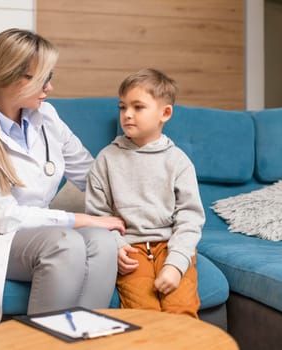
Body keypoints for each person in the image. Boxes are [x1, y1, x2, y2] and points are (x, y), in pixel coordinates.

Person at [0, 28, 125, 326]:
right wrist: (83, 220)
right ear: (11, 76)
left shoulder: (47, 116)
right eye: (41, 78)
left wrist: (119, 232)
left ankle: (84, 342)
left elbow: (92, 178)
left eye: (50, 76)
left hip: (40, 231)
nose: (49, 87)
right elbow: (2, 218)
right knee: (64, 243)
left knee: (101, 242)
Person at [85, 68, 205, 317]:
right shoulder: (107, 159)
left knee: (181, 310)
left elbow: (190, 219)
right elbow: (98, 214)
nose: (127, 114)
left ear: (165, 113)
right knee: (144, 314)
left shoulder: (178, 161)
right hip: (130, 249)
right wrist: (115, 246)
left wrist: (176, 263)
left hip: (171, 246)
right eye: (122, 107)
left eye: (138, 107)